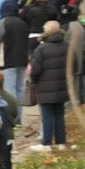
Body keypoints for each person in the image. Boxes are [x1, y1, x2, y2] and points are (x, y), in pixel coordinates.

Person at [28, 21, 69, 150]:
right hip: (62, 85)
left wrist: (34, 81)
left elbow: (35, 70)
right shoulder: (67, 46)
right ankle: (61, 142)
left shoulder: (42, 49)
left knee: (47, 115)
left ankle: (46, 143)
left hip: (45, 86)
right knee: (59, 114)